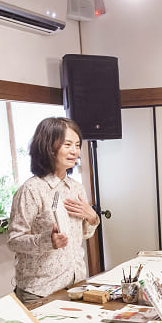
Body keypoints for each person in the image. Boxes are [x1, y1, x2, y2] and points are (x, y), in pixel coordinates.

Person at [7, 117, 99, 304]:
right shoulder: (32, 189)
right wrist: (47, 241)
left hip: (75, 284)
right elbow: (14, 240)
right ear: (49, 147)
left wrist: (92, 218)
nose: (74, 151)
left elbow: (83, 234)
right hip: (41, 290)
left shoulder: (76, 188)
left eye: (77, 145)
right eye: (67, 144)